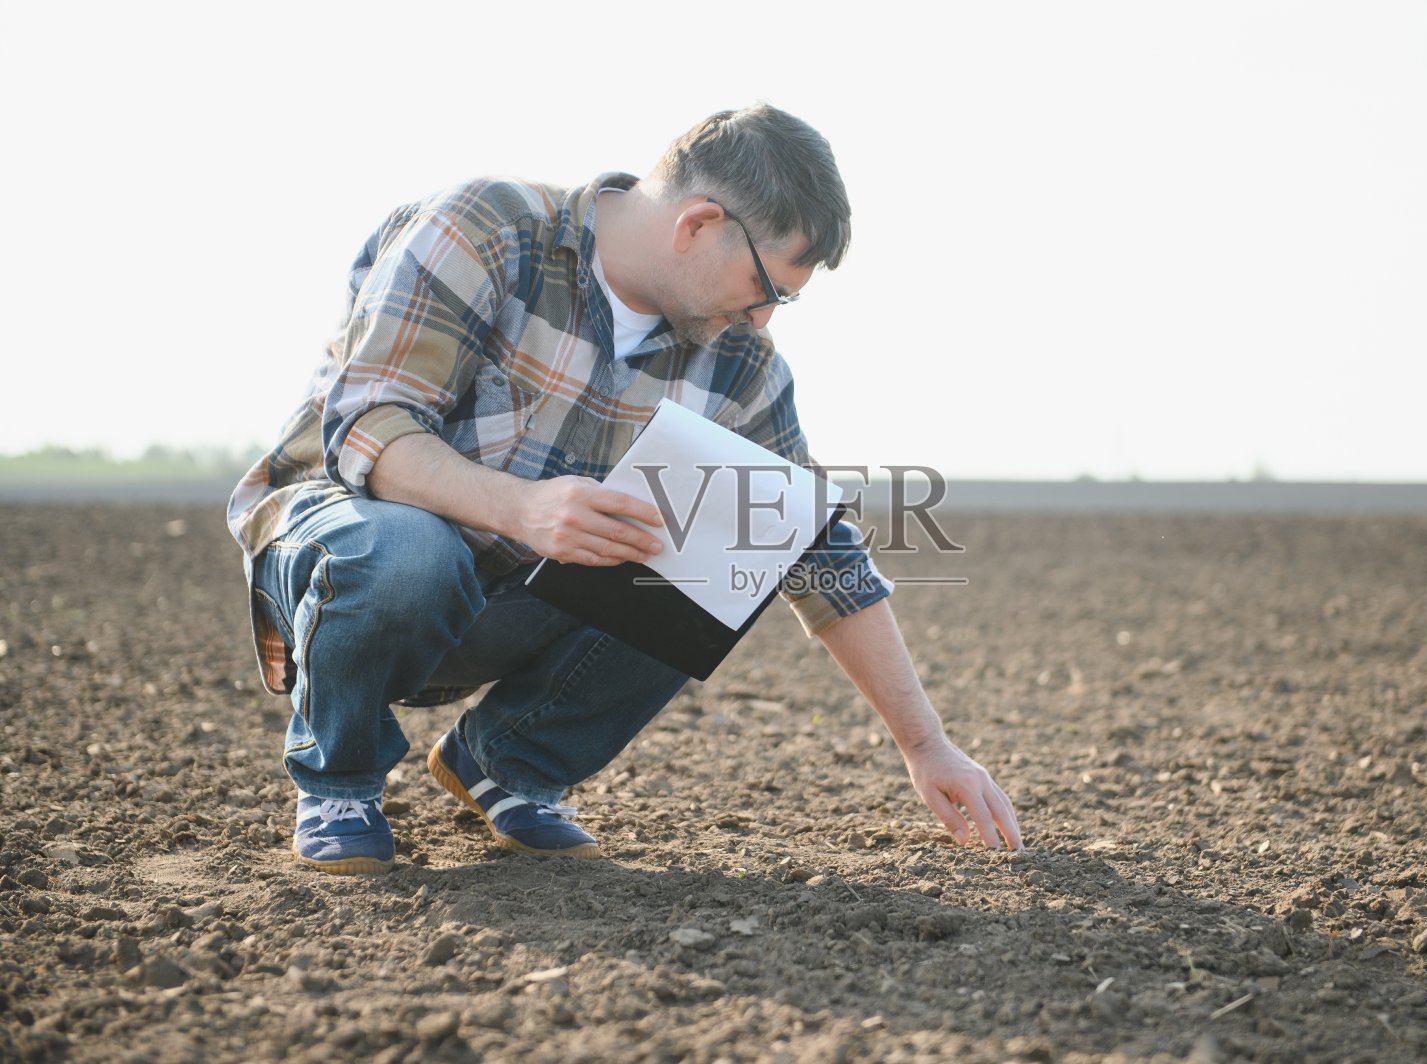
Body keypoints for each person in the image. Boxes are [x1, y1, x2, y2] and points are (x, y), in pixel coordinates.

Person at [226, 104, 1024, 875]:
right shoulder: (490, 229)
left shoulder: (742, 368)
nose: (764, 321)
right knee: (409, 548)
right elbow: (367, 428)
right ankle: (340, 783)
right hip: (350, 564)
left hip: (509, 597)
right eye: (767, 290)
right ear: (699, 224)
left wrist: (926, 745)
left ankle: (507, 761)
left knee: (745, 532)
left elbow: (814, 546)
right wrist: (525, 509)